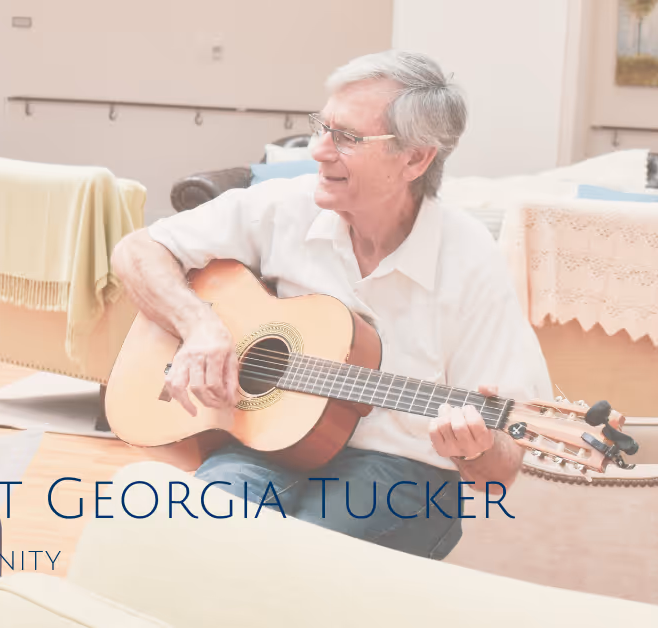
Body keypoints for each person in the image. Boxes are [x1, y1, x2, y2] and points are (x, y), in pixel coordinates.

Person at [110, 50, 553, 560]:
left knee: (297, 563)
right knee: (195, 534)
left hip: (402, 471)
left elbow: (503, 464)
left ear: (415, 158)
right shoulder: (285, 206)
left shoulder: (470, 260)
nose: (318, 150)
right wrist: (200, 326)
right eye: (322, 126)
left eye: (346, 138)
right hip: (262, 444)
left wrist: (475, 448)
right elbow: (137, 251)